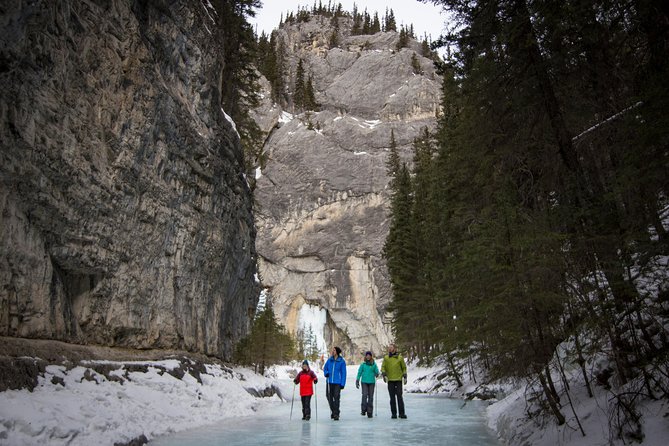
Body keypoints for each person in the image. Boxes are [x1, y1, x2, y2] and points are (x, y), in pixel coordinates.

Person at [381, 344, 408, 419]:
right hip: (390, 380)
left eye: (391, 348)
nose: (390, 349)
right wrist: (383, 373)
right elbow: (383, 367)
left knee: (399, 396)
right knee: (392, 398)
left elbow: (404, 367)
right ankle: (394, 413)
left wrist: (405, 375)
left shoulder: (400, 358)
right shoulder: (386, 358)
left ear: (395, 349)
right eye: (389, 348)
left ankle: (402, 413)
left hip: (398, 380)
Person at [323, 346, 346, 420]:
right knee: (329, 396)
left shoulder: (341, 361)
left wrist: (342, 383)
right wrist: (326, 373)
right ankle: (334, 411)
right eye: (332, 350)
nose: (332, 352)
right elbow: (325, 368)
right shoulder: (330, 360)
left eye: (334, 350)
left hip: (337, 382)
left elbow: (343, 373)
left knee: (336, 397)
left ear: (337, 352)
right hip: (329, 381)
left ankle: (336, 414)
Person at [356, 351, 380, 418]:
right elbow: (359, 372)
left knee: (371, 397)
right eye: (367, 355)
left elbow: (377, 372)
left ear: (371, 356)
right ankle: (363, 410)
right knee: (364, 395)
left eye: (369, 355)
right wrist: (357, 380)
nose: (368, 356)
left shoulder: (374, 364)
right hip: (364, 382)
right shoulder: (363, 364)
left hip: (372, 382)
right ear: (365, 356)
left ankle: (370, 411)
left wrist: (377, 373)